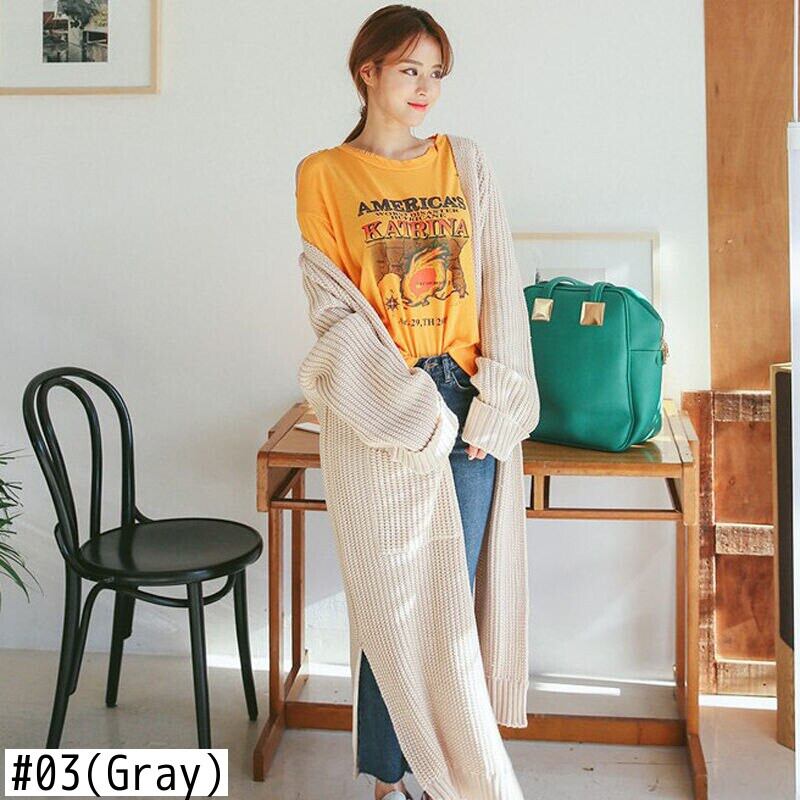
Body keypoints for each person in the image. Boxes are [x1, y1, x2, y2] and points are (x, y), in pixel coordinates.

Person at [295, 6, 537, 800]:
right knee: (386, 602)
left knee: (449, 605)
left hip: (464, 398)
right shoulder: (325, 174)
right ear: (367, 71)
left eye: (436, 73)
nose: (426, 87)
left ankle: (446, 777)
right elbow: (333, 311)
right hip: (380, 402)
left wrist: (496, 404)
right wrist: (411, 410)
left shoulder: (464, 161)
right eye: (409, 70)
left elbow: (499, 280)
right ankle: (389, 775)